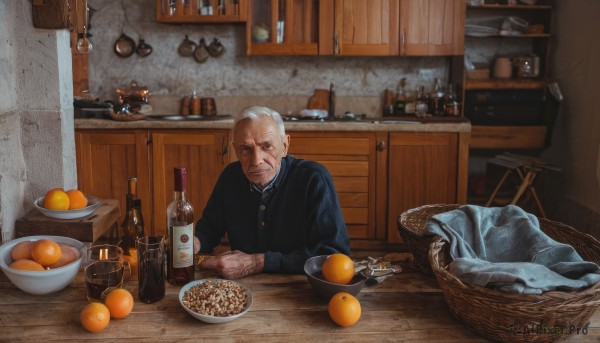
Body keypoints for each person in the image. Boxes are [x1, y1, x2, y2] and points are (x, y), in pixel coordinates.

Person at [194, 106, 350, 279]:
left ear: (285, 146)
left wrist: (258, 262)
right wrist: (195, 243)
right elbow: (209, 228)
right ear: (235, 150)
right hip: (240, 285)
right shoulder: (230, 176)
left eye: (266, 146)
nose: (257, 160)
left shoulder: (314, 179)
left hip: (298, 287)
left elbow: (334, 254)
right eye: (245, 149)